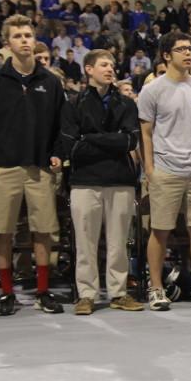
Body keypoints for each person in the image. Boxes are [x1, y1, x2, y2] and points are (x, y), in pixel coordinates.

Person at [0, 14, 64, 317]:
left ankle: (41, 291)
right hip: (4, 168)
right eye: (18, 36)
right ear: (7, 42)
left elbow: (60, 126)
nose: (25, 40)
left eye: (28, 35)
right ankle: (7, 293)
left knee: (43, 232)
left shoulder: (50, 81)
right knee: (2, 231)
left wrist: (55, 154)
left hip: (39, 168)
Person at [138, 32, 191, 310]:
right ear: (166, 55)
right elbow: (146, 133)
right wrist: (149, 169)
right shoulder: (153, 90)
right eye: (181, 49)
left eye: (190, 49)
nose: (188, 54)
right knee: (160, 231)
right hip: (166, 170)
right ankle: (156, 288)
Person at [59, 50, 143, 316]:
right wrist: (111, 140)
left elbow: (130, 141)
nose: (110, 69)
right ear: (88, 69)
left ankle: (118, 293)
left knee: (119, 241)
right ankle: (87, 294)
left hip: (120, 179)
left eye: (112, 65)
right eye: (104, 65)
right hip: (85, 180)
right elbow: (71, 147)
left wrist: (91, 138)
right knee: (85, 242)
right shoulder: (74, 103)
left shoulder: (126, 104)